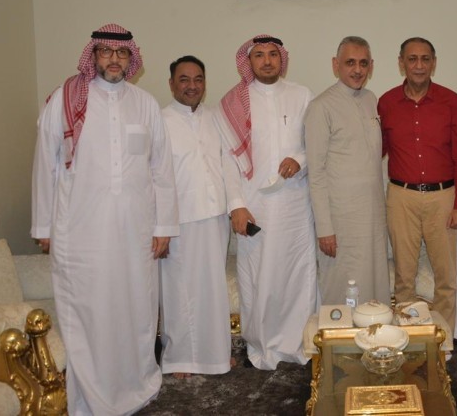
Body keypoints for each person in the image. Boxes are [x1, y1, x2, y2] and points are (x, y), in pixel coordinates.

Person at [31, 23, 179, 415]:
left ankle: (136, 384)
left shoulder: (145, 104)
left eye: (122, 53)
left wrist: (164, 226)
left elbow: (161, 170)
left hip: (136, 230)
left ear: (131, 58)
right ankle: (92, 395)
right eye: (106, 52)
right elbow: (45, 164)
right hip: (81, 230)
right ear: (93, 55)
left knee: (136, 307)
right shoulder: (64, 101)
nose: (114, 59)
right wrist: (44, 226)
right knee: (88, 311)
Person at [215, 34, 317, 370]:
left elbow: (316, 144)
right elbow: (227, 160)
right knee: (258, 277)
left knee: (297, 274)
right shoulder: (232, 103)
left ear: (281, 58)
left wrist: (299, 160)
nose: (267, 61)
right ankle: (262, 347)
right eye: (259, 55)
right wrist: (236, 204)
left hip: (295, 205)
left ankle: (300, 344)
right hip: (254, 207)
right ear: (248, 61)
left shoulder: (301, 95)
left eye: (273, 54)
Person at [160, 56, 247, 378]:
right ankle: (180, 359)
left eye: (198, 79)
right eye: (184, 79)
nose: (192, 86)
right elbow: (154, 178)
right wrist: (159, 226)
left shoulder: (215, 118)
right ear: (172, 84)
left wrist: (234, 205)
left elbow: (228, 163)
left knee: (212, 288)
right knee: (179, 290)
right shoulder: (160, 120)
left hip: (214, 215)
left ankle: (215, 355)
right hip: (178, 219)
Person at [377, 37, 457, 332]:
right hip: (401, 197)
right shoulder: (386, 102)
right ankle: (408, 338)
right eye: (412, 59)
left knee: (446, 277)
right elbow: (376, 150)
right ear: (401, 63)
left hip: (443, 197)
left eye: (425, 59)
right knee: (404, 277)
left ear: (434, 63)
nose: (419, 65)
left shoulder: (451, 101)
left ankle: (442, 341)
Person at [304, 37, 391, 305]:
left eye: (363, 63)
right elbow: (316, 173)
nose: (357, 70)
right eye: (350, 63)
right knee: (343, 288)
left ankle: (374, 331)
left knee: (374, 283)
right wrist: (324, 228)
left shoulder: (371, 99)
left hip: (373, 216)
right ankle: (341, 334)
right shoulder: (321, 107)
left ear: (371, 66)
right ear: (336, 64)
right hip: (341, 220)